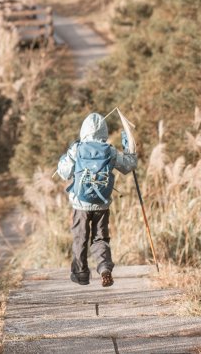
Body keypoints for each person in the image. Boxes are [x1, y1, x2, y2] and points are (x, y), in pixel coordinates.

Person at [56, 112, 137, 287]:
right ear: (104, 131)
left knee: (80, 237)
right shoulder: (110, 150)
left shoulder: (77, 149)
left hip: (81, 204)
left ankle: (81, 274)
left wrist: (63, 158)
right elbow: (128, 166)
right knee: (100, 237)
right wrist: (129, 148)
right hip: (102, 204)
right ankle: (104, 267)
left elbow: (64, 173)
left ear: (84, 130)